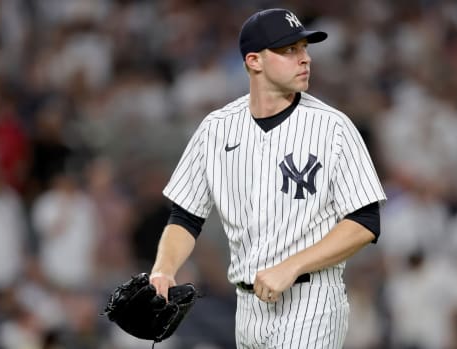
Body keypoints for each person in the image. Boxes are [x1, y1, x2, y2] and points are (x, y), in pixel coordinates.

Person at [149, 8, 386, 348]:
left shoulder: (333, 127)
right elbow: (185, 216)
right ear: (254, 61)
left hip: (311, 302)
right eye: (289, 50)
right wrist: (164, 269)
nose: (304, 59)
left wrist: (292, 266)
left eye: (304, 48)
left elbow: (365, 221)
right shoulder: (216, 129)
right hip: (246, 307)